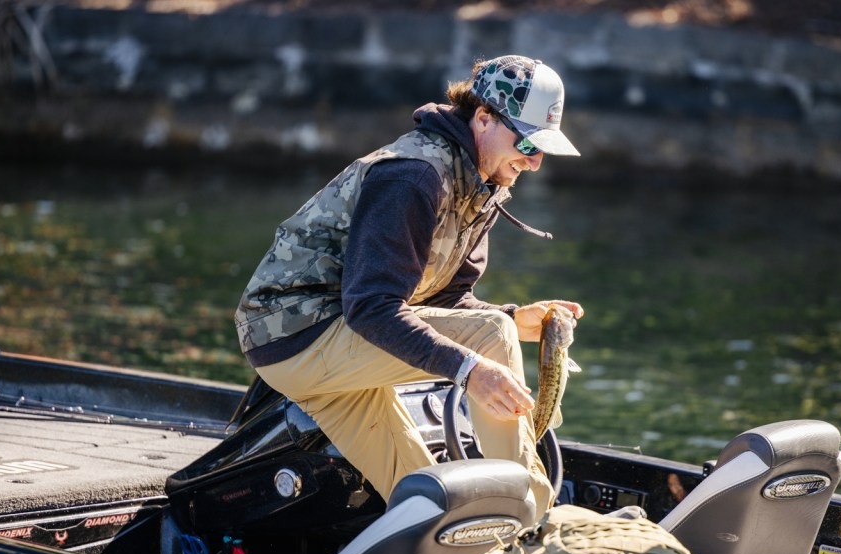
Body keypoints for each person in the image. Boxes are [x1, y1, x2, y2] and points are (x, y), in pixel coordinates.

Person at [235, 55, 584, 512]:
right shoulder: (414, 176)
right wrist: (471, 370)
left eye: (543, 149)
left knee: (426, 501)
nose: (534, 162)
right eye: (528, 142)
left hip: (340, 346)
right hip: (299, 335)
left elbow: (447, 298)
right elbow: (372, 308)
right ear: (483, 118)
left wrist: (514, 317)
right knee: (492, 337)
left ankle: (490, 545)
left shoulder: (483, 183)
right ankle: (534, 517)